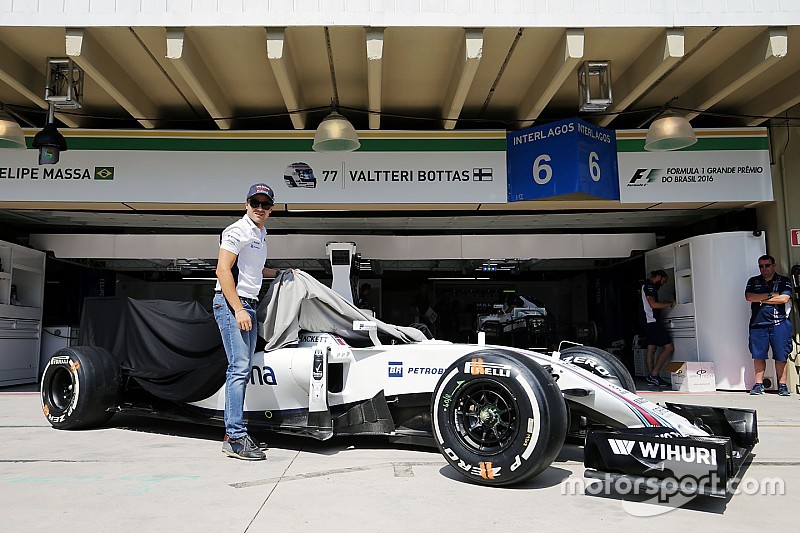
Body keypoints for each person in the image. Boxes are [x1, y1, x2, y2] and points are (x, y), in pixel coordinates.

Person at [213, 183, 280, 460]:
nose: (260, 208)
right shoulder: (237, 230)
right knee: (239, 369)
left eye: (265, 204)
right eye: (256, 202)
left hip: (249, 304)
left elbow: (254, 269)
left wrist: (281, 272)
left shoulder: (261, 233)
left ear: (271, 208)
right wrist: (238, 309)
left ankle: (237, 432)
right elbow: (222, 269)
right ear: (246, 203)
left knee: (243, 367)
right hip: (233, 304)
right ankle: (235, 437)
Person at [745, 255, 793, 396]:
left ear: (774, 265)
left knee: (781, 356)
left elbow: (784, 298)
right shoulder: (753, 281)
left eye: (767, 265)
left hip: (779, 323)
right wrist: (771, 295)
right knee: (758, 355)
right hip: (758, 325)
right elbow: (749, 297)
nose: (764, 269)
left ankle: (782, 385)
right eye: (761, 266)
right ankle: (759, 385)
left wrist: (762, 299)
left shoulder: (783, 281)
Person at [640, 270, 676, 387]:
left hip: (647, 321)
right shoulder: (649, 286)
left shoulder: (645, 285)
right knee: (669, 348)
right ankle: (654, 374)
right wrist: (669, 304)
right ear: (659, 277)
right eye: (663, 281)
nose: (663, 284)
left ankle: (651, 376)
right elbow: (653, 304)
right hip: (652, 321)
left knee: (651, 348)